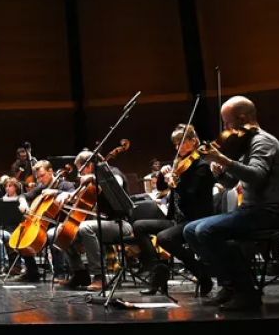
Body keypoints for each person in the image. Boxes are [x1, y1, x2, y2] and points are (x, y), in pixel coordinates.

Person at [184, 96, 279, 310]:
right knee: (191, 230)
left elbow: (256, 176)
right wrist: (220, 172)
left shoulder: (262, 142)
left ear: (242, 118)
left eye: (228, 122)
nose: (226, 128)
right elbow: (231, 182)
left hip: (271, 211)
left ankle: (247, 293)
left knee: (206, 230)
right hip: (251, 210)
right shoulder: (245, 143)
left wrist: (223, 160)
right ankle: (229, 284)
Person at [132, 124, 214, 296]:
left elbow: (191, 194)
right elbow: (162, 188)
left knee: (164, 237)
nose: (178, 147)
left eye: (182, 143)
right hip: (176, 219)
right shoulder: (180, 164)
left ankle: (200, 272)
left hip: (194, 220)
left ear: (194, 141)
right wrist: (163, 175)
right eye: (176, 144)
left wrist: (176, 182)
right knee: (138, 226)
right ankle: (157, 269)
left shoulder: (202, 166)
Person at [54, 150, 131, 291]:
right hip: (102, 223)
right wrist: (66, 195)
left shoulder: (112, 171)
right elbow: (80, 196)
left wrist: (93, 176)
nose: (79, 175)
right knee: (63, 231)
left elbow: (116, 183)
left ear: (89, 166)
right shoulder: (89, 180)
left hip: (120, 223)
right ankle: (80, 274)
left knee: (84, 227)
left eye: (80, 170)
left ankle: (99, 276)